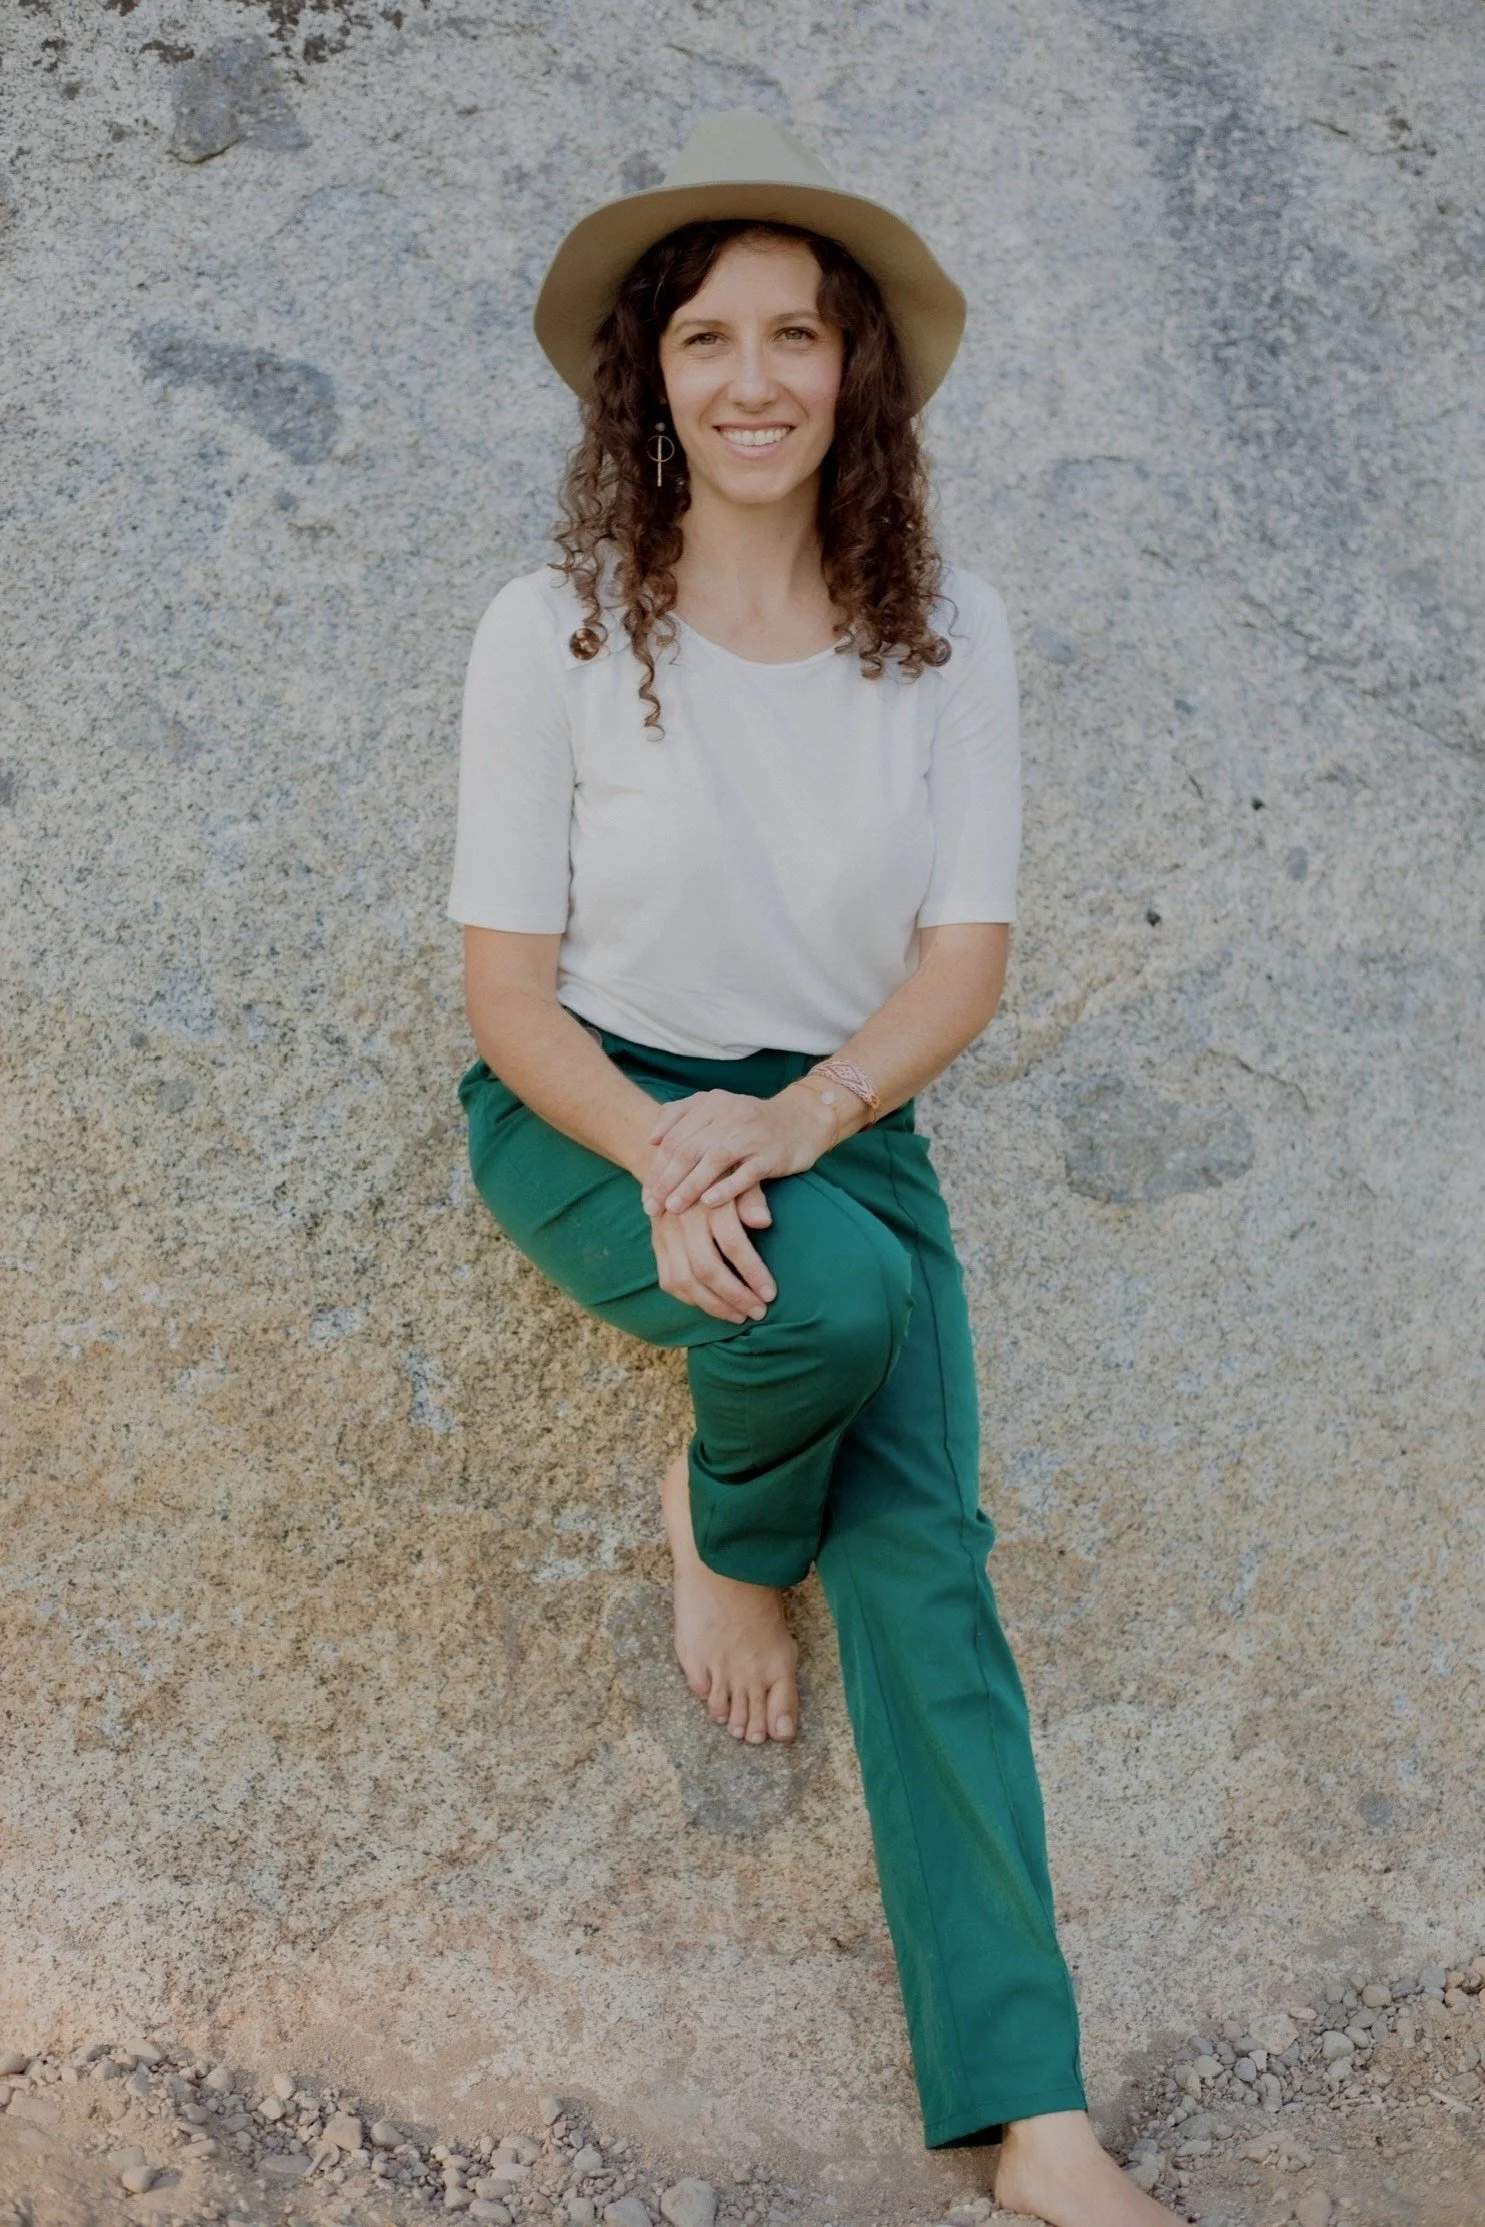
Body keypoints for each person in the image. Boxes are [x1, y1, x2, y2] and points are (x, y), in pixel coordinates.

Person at [448, 110, 1176, 2227]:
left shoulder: (945, 633)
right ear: (644, 383)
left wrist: (796, 1119)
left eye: (795, 338)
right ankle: (733, 1520)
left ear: (853, 373)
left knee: (931, 1570)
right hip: (591, 1102)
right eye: (703, 342)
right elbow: (506, 999)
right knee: (828, 1309)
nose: (751, 380)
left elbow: (966, 961)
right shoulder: (552, 629)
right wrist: (671, 1148)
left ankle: (1030, 2119)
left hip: (840, 1105)